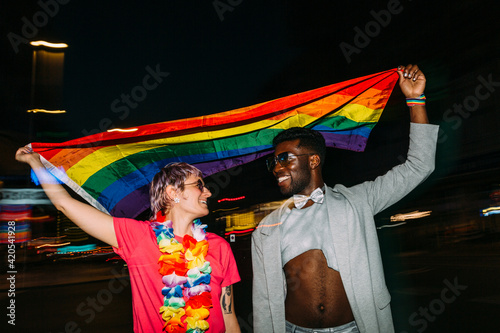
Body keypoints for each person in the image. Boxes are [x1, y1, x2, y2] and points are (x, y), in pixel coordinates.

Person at [251, 64, 439, 333]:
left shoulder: (358, 201)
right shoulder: (267, 229)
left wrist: (415, 99)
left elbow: (419, 166)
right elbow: (264, 303)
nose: (277, 168)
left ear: (314, 160)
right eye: (273, 162)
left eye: (284, 159)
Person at [14, 150, 242, 333]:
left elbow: (229, 316)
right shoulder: (138, 237)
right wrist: (35, 162)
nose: (208, 193)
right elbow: (65, 204)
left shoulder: (219, 246)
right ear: (173, 193)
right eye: (199, 185)